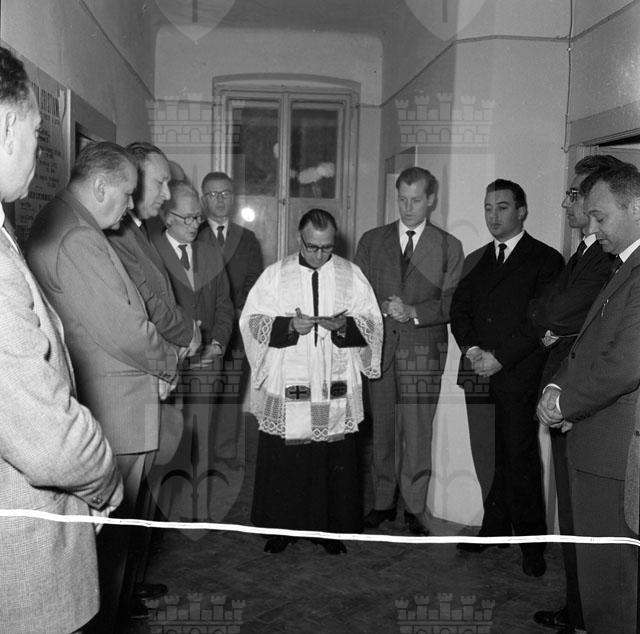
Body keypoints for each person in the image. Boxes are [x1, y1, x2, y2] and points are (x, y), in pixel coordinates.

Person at [25, 141, 179, 632]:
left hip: (117, 399)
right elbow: (124, 328)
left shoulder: (72, 223)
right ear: (99, 187)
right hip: (117, 406)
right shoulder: (78, 236)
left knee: (117, 547)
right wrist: (169, 363)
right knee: (111, 552)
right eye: (127, 194)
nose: (131, 206)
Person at [0, 47, 123, 634]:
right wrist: (105, 480)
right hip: (24, 560)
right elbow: (49, 442)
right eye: (35, 132)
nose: (40, 149)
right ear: (5, 128)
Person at [240, 208, 383, 554]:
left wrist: (345, 327)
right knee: (287, 457)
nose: (320, 255)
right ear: (299, 239)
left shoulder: (351, 275)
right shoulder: (276, 276)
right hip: (289, 381)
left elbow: (372, 324)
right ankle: (281, 528)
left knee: (332, 454)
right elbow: (251, 321)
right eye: (312, 247)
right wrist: (288, 326)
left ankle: (330, 530)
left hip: (334, 382)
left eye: (327, 248)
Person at [537, 162, 640, 634]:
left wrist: (565, 404)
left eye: (601, 217)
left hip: (613, 453)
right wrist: (557, 386)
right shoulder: (625, 266)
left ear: (635, 207)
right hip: (598, 444)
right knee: (602, 582)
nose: (592, 228)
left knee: (611, 588)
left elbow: (625, 363)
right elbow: (589, 343)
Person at [450, 179, 564, 577]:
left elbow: (541, 321)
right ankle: (494, 528)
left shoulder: (545, 259)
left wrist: (500, 358)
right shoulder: (476, 258)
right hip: (477, 372)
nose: (493, 216)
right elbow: (459, 310)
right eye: (487, 208)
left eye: (501, 207)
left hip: (518, 374)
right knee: (488, 455)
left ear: (521, 211)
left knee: (520, 457)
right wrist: (472, 350)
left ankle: (532, 546)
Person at [354, 166, 463, 536]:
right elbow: (357, 294)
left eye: (416, 200)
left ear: (431, 199)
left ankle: (415, 508)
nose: (408, 207)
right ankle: (383, 502)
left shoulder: (449, 246)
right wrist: (381, 307)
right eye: (402, 199)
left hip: (423, 351)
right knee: (382, 430)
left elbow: (453, 301)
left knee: (417, 432)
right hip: (381, 349)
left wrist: (414, 310)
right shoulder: (372, 241)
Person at [150, 180, 235, 520]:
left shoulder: (210, 253)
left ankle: (196, 507)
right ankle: (161, 510)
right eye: (187, 218)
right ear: (166, 217)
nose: (195, 225)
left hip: (207, 363)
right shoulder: (150, 253)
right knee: (167, 437)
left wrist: (218, 343)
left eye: (198, 217)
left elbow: (225, 306)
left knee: (201, 436)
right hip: (167, 363)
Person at [198, 171, 263, 465]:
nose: (220, 200)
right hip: (203, 330)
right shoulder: (193, 233)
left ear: (233, 198)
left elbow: (254, 280)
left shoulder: (247, 239)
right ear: (203, 200)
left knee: (231, 389)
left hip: (236, 328)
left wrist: (237, 310)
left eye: (225, 193)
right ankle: (200, 452)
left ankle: (224, 451)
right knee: (201, 393)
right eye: (213, 194)